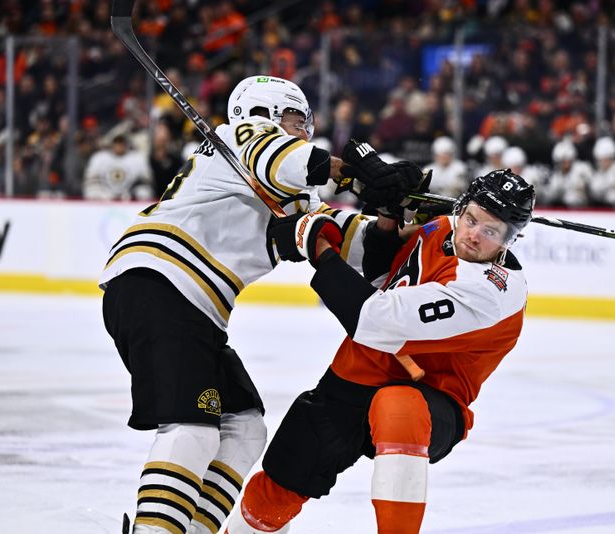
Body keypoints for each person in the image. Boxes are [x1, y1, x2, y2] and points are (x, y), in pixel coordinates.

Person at [99, 75, 420, 534]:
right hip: (158, 280)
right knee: (191, 427)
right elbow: (281, 157)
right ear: (264, 113)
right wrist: (354, 171)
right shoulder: (235, 140)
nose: (304, 130)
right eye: (295, 119)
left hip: (189, 306)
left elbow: (360, 248)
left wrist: (392, 211)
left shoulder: (290, 188)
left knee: (244, 428)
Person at [223, 167, 535, 534]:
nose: (473, 235)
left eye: (491, 231)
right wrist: (388, 221)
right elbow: (380, 280)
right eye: (471, 219)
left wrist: (318, 248)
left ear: (510, 241)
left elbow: (375, 321)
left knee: (399, 405)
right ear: (463, 207)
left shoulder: (489, 293)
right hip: (356, 375)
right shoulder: (441, 227)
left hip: (432, 397)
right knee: (281, 480)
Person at [83, 133, 154, 201]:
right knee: (93, 192)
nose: (119, 146)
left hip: (129, 199)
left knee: (143, 192)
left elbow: (146, 184)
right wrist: (104, 196)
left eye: (122, 142)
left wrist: (131, 195)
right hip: (104, 200)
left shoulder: (138, 158)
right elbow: (91, 184)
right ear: (112, 144)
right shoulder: (99, 158)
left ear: (127, 144)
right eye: (117, 142)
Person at [545, 139, 590, 208]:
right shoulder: (555, 175)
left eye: (568, 161)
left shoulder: (581, 170)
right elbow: (550, 194)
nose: (566, 164)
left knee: (571, 198)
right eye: (562, 161)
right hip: (563, 211)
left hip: (582, 209)